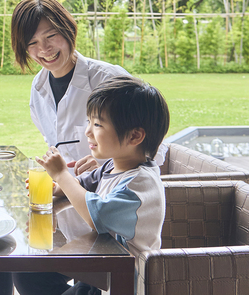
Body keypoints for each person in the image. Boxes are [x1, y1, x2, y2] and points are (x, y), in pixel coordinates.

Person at [11, 75, 170, 295]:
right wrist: (56, 188)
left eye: (97, 124)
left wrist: (60, 174)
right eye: (89, 122)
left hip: (122, 283)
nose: (87, 131)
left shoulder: (140, 185)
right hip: (99, 269)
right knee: (26, 271)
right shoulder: (114, 167)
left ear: (135, 136)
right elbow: (82, 184)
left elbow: (96, 215)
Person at [10, 0, 165, 175]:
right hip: (70, 191)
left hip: (109, 194)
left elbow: (156, 148)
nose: (44, 49)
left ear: (68, 29)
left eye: (50, 36)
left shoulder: (109, 79)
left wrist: (106, 170)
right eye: (32, 43)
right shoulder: (38, 88)